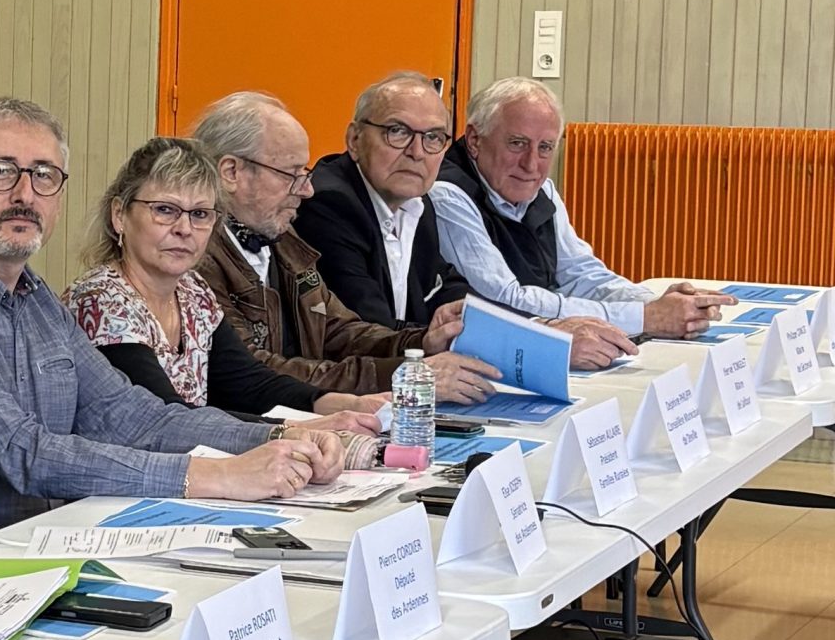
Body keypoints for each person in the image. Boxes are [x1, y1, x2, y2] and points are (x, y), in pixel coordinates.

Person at [0, 96, 355, 538]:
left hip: (60, 540)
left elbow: (133, 416)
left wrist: (283, 436)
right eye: (1, 172)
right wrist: (218, 475)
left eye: (44, 176)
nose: (25, 194)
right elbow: (21, 451)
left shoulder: (36, 299)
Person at [294, 71, 636, 369]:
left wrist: (543, 328)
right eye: (397, 132)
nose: (417, 152)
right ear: (355, 139)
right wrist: (543, 344)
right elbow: (374, 334)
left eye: (432, 138)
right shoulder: (330, 204)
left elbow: (451, 292)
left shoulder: (417, 203)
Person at [64, 137, 390, 434]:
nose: (184, 228)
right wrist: (298, 430)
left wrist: (343, 403)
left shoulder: (192, 291)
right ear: (119, 215)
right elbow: (165, 417)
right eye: (165, 210)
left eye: (200, 214)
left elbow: (248, 383)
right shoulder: (99, 299)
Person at [191, 91, 501, 405]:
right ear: (231, 173)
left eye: (304, 173)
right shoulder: (195, 257)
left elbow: (337, 330)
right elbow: (255, 373)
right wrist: (407, 373)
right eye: (291, 174)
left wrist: (423, 342)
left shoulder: (282, 238)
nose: (307, 190)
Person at [430, 75, 730, 341]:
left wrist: (660, 303)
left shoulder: (540, 189)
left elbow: (579, 274)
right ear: (474, 140)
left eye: (545, 147)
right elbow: (506, 302)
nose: (531, 164)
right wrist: (645, 317)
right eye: (517, 143)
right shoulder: (447, 194)